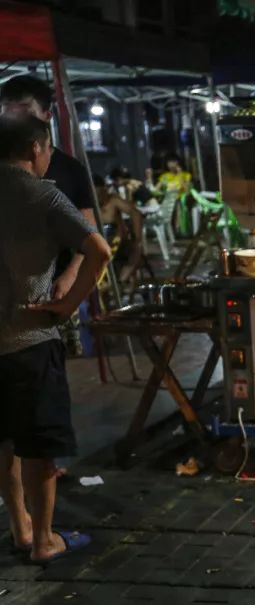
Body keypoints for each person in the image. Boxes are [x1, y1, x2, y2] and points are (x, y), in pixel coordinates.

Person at [0, 116, 111, 563]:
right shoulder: (42, 194)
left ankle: (19, 526)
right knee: (38, 445)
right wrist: (69, 305)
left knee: (3, 440)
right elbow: (99, 251)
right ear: (34, 148)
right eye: (47, 150)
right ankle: (45, 539)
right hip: (30, 338)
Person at [0, 75, 96, 302]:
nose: (15, 121)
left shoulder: (70, 169)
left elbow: (90, 230)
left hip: (54, 292)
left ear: (47, 116)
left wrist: (71, 274)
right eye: (7, 112)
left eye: (24, 112)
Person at [93, 174, 144, 283]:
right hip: (99, 247)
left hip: (119, 244)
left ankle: (121, 281)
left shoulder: (113, 200)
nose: (98, 198)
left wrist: (137, 237)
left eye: (99, 194)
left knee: (136, 250)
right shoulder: (88, 206)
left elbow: (136, 214)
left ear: (104, 190)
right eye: (94, 195)